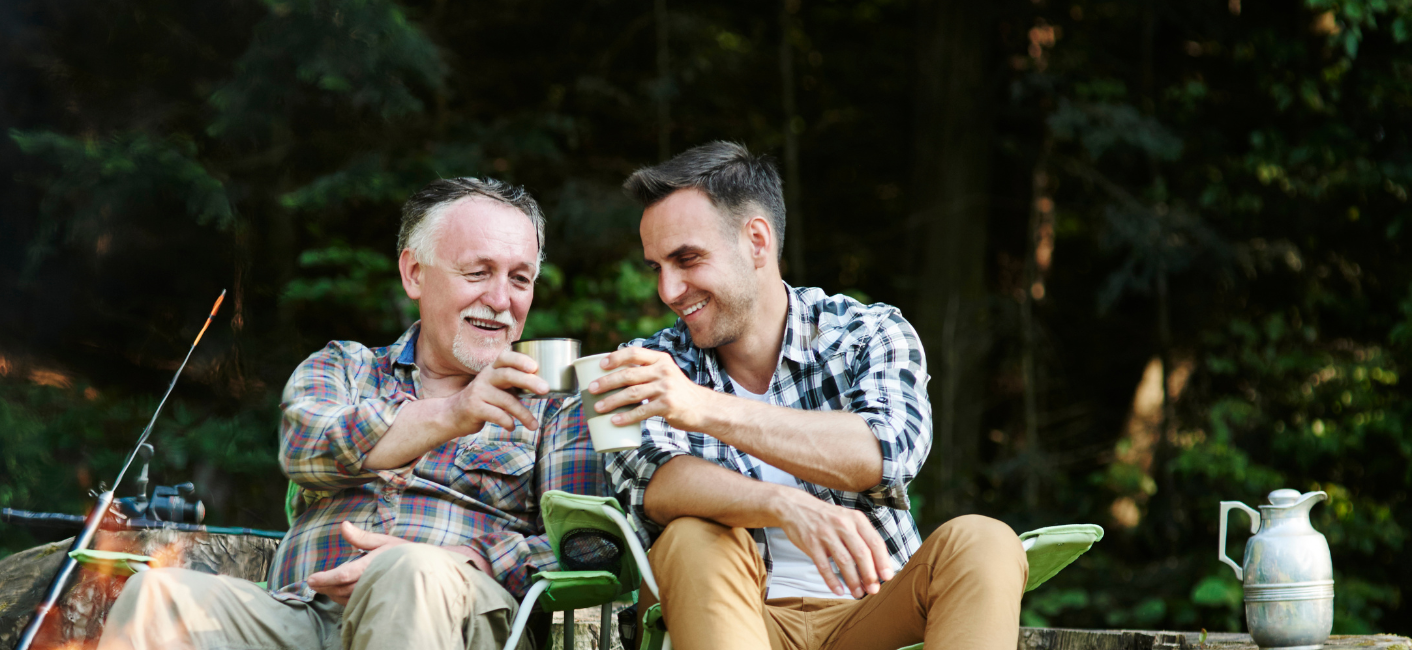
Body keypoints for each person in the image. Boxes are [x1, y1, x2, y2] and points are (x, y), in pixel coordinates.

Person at [96, 178, 600, 650]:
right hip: (304, 615)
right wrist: (452, 412)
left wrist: (468, 559)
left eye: (520, 279)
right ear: (414, 273)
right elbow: (306, 449)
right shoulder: (344, 366)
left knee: (409, 572)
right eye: (478, 273)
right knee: (155, 597)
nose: (500, 300)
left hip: (457, 615)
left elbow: (589, 547)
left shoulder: (556, 409)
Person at [590, 142, 1028, 650]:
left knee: (986, 541)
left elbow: (884, 452)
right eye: (656, 267)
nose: (668, 290)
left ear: (756, 241)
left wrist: (703, 407)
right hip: (732, 617)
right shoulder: (650, 363)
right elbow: (651, 485)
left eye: (687, 259)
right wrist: (783, 504)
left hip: (871, 615)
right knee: (691, 537)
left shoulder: (868, 333)